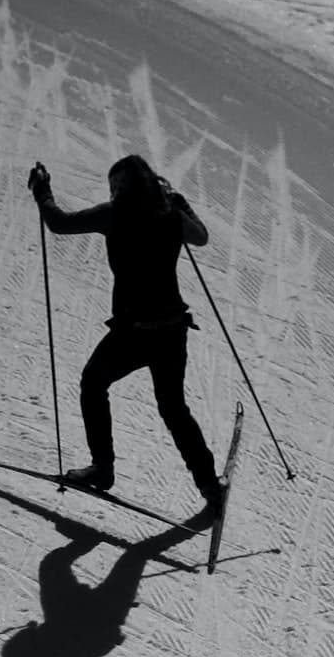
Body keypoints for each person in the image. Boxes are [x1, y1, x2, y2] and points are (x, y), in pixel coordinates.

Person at [28, 154, 224, 516]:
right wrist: (181, 203)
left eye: (115, 184)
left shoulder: (114, 213)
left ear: (121, 186)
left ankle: (102, 469)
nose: (113, 189)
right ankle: (210, 486)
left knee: (93, 382)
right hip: (171, 329)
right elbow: (202, 237)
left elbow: (58, 224)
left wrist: (43, 191)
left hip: (134, 332)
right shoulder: (170, 216)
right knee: (173, 408)